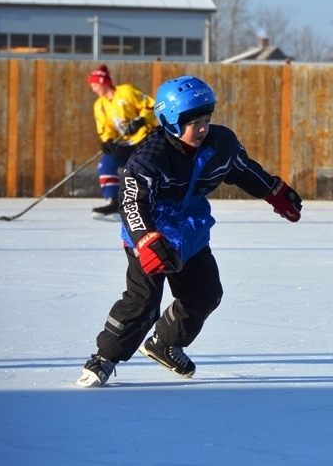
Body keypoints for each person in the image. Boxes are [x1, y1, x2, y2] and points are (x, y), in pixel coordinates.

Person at [76, 75, 304, 387]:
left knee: (205, 294)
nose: (202, 128)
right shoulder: (149, 157)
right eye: (192, 122)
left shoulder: (220, 144)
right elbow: (131, 203)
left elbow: (243, 170)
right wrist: (146, 239)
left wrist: (273, 191)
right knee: (143, 302)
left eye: (206, 119)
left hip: (191, 228)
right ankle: (103, 358)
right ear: (170, 122)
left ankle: (164, 343)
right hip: (150, 227)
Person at [87, 65, 157, 221]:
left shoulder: (126, 91)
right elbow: (105, 129)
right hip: (124, 144)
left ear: (102, 82)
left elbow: (152, 107)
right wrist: (108, 141)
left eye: (94, 85)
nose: (93, 89)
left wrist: (141, 120)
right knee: (106, 164)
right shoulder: (99, 105)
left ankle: (147, 204)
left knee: (142, 170)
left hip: (144, 139)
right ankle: (113, 202)